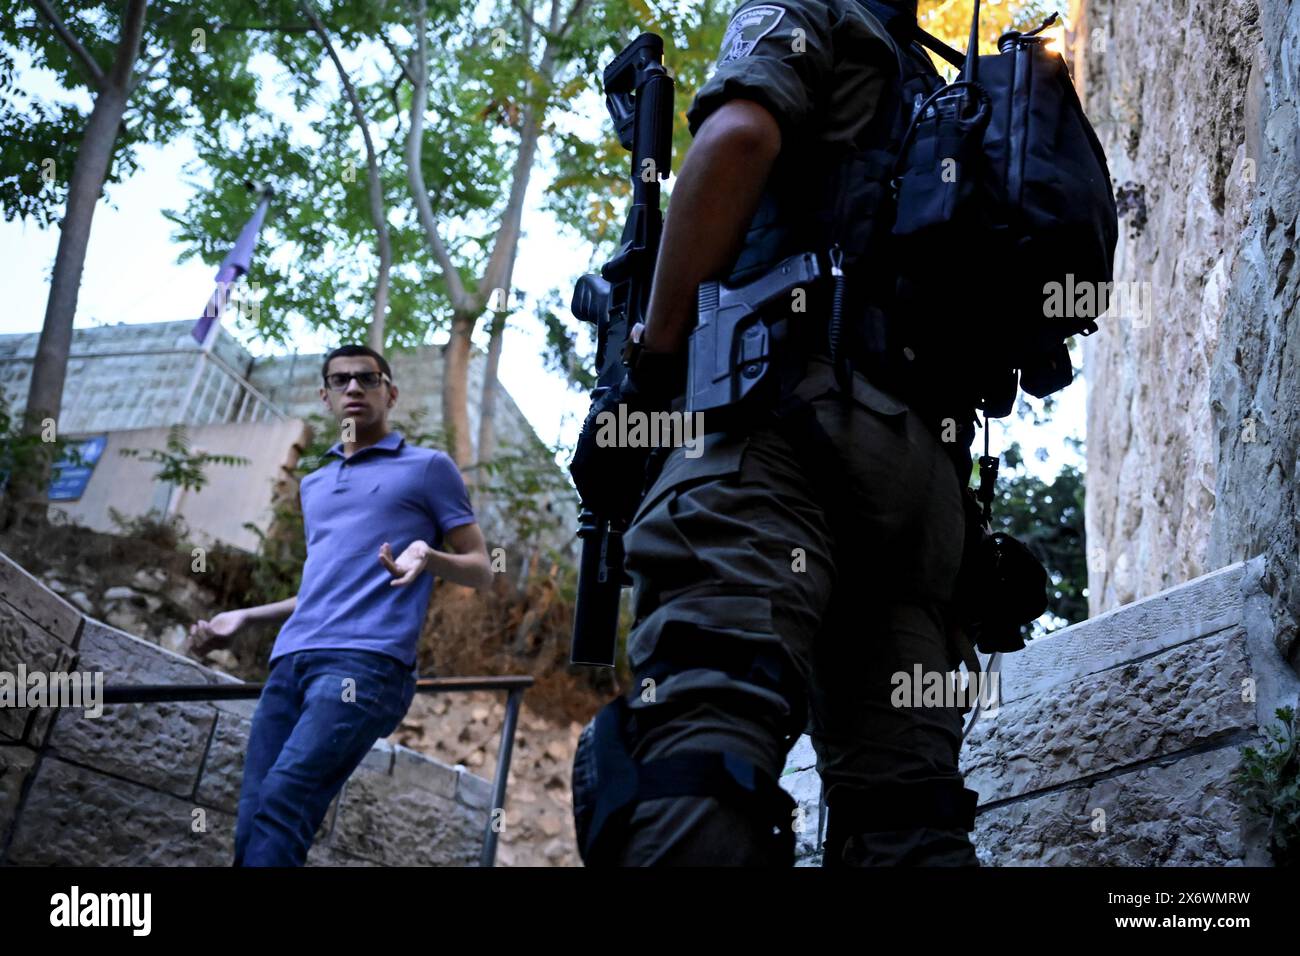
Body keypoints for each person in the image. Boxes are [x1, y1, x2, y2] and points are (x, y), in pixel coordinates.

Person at [569, 0, 983, 866]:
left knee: (700, 752)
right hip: (925, 494)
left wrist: (652, 361)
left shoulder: (804, 11)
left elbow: (739, 140)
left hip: (782, 432)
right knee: (909, 815)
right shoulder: (939, 87)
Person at [190, 344, 494, 867]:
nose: (354, 388)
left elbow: (483, 567)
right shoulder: (314, 484)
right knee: (254, 812)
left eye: (367, 379)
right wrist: (246, 617)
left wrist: (428, 553)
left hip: (366, 664)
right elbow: (325, 585)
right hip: (291, 661)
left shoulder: (427, 468)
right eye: (341, 381)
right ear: (325, 397)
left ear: (390, 393)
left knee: (285, 798)